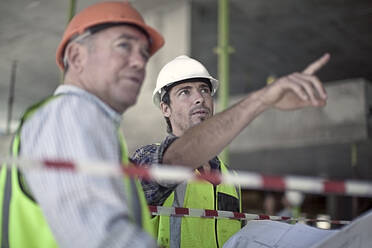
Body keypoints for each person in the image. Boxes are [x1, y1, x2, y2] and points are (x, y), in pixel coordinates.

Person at [0, 2, 164, 248]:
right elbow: (100, 239)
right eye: (124, 45)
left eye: (143, 53)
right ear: (76, 56)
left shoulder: (87, 123)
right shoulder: (68, 114)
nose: (140, 62)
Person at [131, 54, 330, 248]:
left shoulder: (229, 177)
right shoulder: (147, 160)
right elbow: (175, 160)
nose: (199, 98)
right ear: (165, 108)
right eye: (185, 92)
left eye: (204, 90)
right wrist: (263, 100)